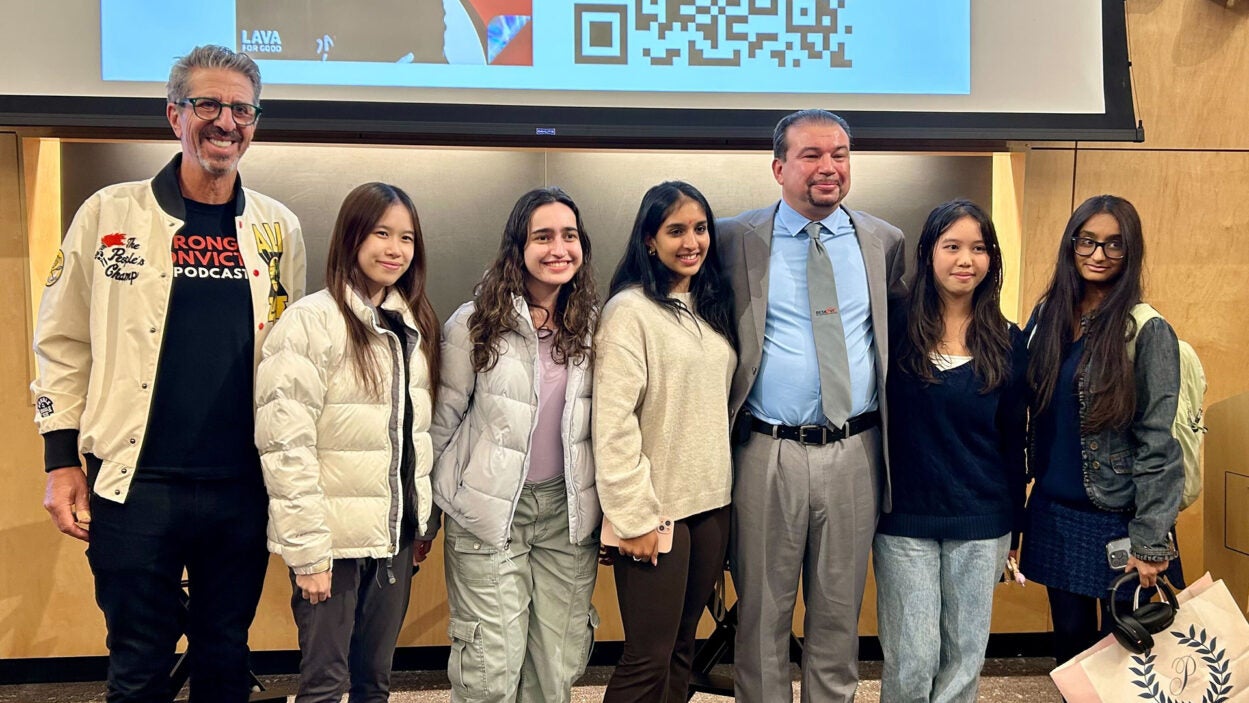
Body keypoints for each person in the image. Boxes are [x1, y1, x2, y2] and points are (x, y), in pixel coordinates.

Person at [32, 45, 306, 701]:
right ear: (174, 115)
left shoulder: (279, 227)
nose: (225, 121)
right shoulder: (108, 215)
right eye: (207, 104)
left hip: (240, 487)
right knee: (138, 664)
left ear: (254, 123)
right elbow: (63, 341)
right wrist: (59, 459)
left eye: (241, 109)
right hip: (134, 485)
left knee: (223, 659)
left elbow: (292, 358)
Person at [717, 108, 907, 703]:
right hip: (765, 451)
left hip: (854, 453)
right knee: (761, 619)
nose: (829, 168)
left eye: (840, 155)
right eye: (811, 155)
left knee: (837, 620)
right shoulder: (732, 238)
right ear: (778, 168)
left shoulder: (884, 242)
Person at [254, 182, 440, 701]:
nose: (394, 249)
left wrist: (419, 522)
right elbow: (285, 446)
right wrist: (308, 553)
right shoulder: (309, 322)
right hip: (333, 545)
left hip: (394, 541)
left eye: (406, 237)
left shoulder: (413, 324)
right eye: (381, 233)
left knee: (374, 683)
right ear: (352, 237)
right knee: (324, 685)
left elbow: (415, 438)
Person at [429, 187, 601, 703]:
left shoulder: (593, 326)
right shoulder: (474, 323)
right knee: (490, 669)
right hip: (487, 515)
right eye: (542, 236)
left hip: (566, 519)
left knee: (557, 666)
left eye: (569, 236)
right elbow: (443, 423)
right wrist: (426, 517)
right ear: (517, 248)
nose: (558, 248)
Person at [872, 200, 1028, 703]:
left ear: (991, 260)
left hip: (981, 520)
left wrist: (1017, 526)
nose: (966, 259)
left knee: (964, 655)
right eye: (953, 246)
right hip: (903, 520)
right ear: (929, 253)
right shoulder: (893, 327)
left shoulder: (1008, 340)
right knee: (912, 657)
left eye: (979, 248)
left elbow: (1012, 440)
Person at [1021, 194, 1185, 666]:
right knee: (1071, 651)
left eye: (1114, 245)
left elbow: (1158, 443)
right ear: (1071, 245)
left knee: (1128, 655)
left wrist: (1151, 541)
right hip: (1053, 511)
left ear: (1130, 253)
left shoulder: (1146, 330)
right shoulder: (1049, 316)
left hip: (1120, 515)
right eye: (1088, 241)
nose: (1098, 254)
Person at [594, 181, 738, 702]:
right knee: (646, 659)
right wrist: (633, 516)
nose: (691, 241)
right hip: (657, 513)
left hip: (711, 507)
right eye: (676, 230)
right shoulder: (629, 312)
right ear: (649, 240)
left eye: (700, 229)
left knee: (681, 651)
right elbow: (612, 425)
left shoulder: (709, 306)